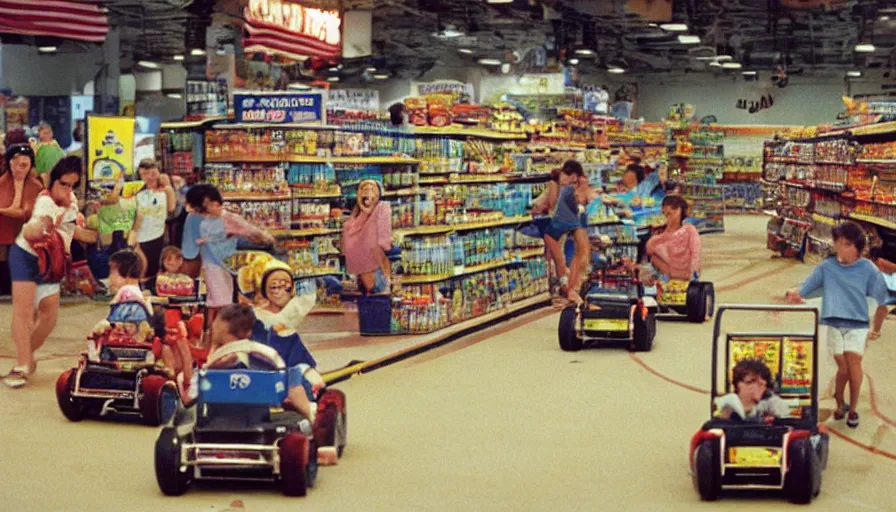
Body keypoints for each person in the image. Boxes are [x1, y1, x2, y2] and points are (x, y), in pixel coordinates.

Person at [785, 221, 889, 428]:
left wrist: (876, 328)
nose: (842, 249)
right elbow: (807, 287)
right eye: (839, 243)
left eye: (847, 244)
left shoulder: (868, 269)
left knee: (854, 364)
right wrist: (794, 295)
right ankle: (839, 398)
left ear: (858, 247)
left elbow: (882, 301)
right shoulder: (827, 267)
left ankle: (852, 410)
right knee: (843, 367)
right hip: (832, 323)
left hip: (858, 324)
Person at [3, 156, 93, 388]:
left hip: (51, 262)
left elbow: (77, 233)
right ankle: (22, 365)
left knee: (49, 316)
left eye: (72, 184)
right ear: (53, 181)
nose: (67, 189)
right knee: (23, 312)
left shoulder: (71, 201)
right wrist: (39, 228)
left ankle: (26, 354)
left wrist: (95, 231)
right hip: (26, 255)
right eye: (63, 183)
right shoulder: (45, 202)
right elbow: (35, 228)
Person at [183, 304, 316, 422]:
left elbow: (189, 399)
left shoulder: (211, 368)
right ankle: (312, 420)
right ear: (249, 332)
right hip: (261, 422)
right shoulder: (267, 358)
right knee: (295, 378)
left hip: (216, 425)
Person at [181, 184, 276, 322]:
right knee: (218, 302)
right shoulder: (200, 219)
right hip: (213, 266)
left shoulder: (228, 219)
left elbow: (252, 232)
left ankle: (219, 332)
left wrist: (266, 239)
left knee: (220, 302)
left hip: (220, 267)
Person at [544, 160, 591, 303]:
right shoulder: (556, 184)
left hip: (561, 225)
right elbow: (552, 204)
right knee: (557, 258)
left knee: (561, 257)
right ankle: (564, 287)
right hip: (553, 225)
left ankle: (566, 287)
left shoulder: (569, 187)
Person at [0, 145, 44, 296]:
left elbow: (27, 212)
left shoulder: (36, 186)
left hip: (27, 231)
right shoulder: (1, 183)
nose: (20, 165)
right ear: (9, 162)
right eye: (15, 160)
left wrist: (3, 211)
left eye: (25, 162)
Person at [122, 159, 176, 280]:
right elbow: (137, 217)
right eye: (143, 174)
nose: (148, 177)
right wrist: (133, 236)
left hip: (158, 234)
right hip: (141, 236)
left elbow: (171, 208)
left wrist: (167, 186)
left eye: (150, 172)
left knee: (154, 269)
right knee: (140, 269)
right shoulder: (140, 194)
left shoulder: (165, 190)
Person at [342, 179, 392, 295]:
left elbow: (384, 245)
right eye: (363, 189)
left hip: (377, 282)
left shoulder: (382, 211)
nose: (367, 192)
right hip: (360, 285)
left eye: (372, 189)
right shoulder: (352, 222)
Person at [644, 195, 701, 282]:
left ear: (680, 211)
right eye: (665, 213)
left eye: (670, 213)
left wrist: (694, 276)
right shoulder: (659, 237)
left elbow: (695, 255)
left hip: (687, 277)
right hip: (669, 279)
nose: (667, 217)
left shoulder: (689, 230)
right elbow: (649, 249)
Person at [715, 358, 790, 421]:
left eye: (762, 384)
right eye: (751, 381)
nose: (761, 386)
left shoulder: (772, 406)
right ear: (739, 384)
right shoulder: (728, 407)